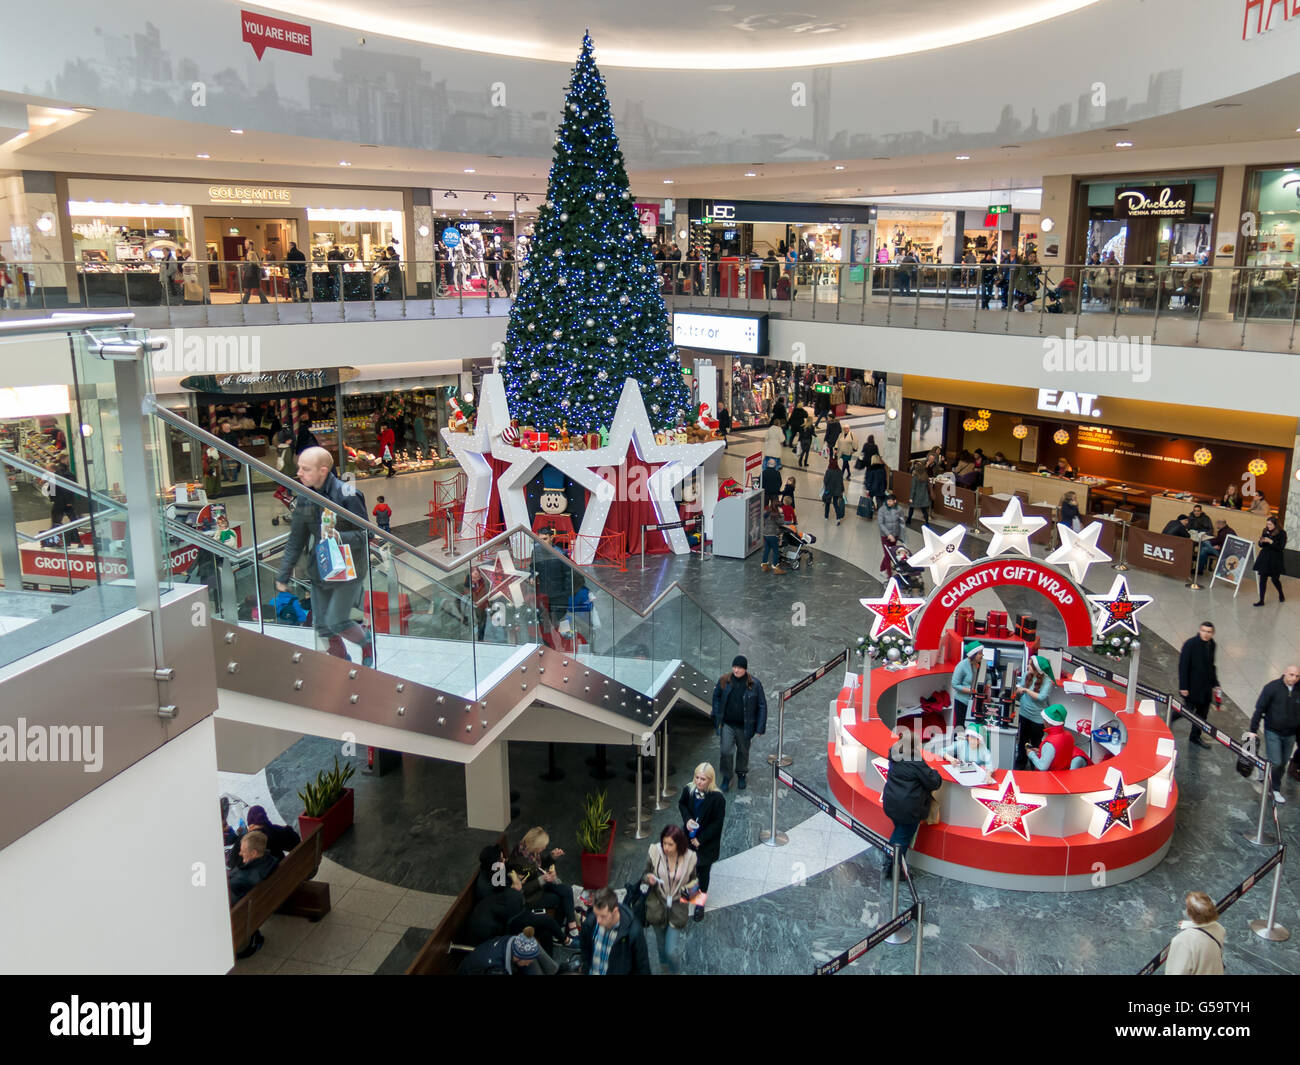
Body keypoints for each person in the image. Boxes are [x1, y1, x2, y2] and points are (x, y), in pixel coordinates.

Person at [274, 446, 375, 667]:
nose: (299, 473)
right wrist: (283, 574)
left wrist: (338, 536)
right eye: (299, 467)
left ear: (323, 470)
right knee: (321, 625)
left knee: (336, 620)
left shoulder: (347, 494)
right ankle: (343, 665)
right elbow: (296, 539)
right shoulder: (305, 497)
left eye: (305, 469)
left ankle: (367, 643)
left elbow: (366, 534)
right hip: (320, 568)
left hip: (349, 569)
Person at [638, 824, 699, 974]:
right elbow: (644, 875)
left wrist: (688, 892)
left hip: (677, 908)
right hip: (657, 906)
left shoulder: (689, 858)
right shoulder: (654, 852)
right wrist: (648, 878)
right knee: (660, 945)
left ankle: (674, 972)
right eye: (664, 843)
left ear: (678, 844)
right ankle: (664, 970)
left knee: (671, 950)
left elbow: (694, 881)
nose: (666, 847)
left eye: (670, 844)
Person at [880, 730, 941, 877]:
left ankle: (891, 862)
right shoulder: (916, 762)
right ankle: (895, 868)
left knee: (899, 832)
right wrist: (935, 773)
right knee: (902, 838)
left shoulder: (894, 755)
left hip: (891, 803)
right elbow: (934, 782)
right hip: (909, 809)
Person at [710, 654, 768, 791]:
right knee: (725, 751)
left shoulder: (755, 684)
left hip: (744, 726)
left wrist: (760, 727)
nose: (736, 670)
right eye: (735, 667)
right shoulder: (724, 680)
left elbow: (762, 706)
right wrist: (718, 714)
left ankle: (741, 773)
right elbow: (716, 696)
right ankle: (727, 776)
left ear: (745, 669)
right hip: (728, 724)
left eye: (739, 668)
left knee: (743, 751)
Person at [513, 826, 580, 942]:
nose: (544, 848)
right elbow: (521, 890)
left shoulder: (529, 851)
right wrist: (542, 879)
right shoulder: (519, 863)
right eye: (542, 846)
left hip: (539, 883)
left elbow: (539, 865)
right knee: (559, 899)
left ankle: (571, 925)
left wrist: (551, 857)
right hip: (530, 898)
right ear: (535, 845)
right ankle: (558, 932)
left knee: (566, 890)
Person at [678, 763, 725, 923]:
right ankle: (691, 894)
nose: (699, 782)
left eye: (703, 779)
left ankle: (700, 903)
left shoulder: (717, 798)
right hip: (688, 839)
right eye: (697, 777)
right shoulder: (688, 790)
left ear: (710, 780)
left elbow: (717, 824)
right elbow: (682, 804)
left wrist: (701, 839)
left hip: (706, 844)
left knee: (703, 873)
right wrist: (687, 820)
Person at [1250, 666, 1300, 804]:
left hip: (1290, 734)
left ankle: (1265, 769)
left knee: (1283, 762)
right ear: (1285, 673)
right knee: (1276, 762)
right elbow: (1260, 708)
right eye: (1291, 675)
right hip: (1273, 731)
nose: (1294, 678)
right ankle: (1274, 788)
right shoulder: (1272, 688)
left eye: (1297, 676)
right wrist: (1253, 730)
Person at [580, 887, 651, 975]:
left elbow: (642, 967)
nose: (598, 920)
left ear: (615, 911)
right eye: (596, 914)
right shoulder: (591, 923)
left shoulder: (633, 932)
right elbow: (585, 949)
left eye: (603, 916)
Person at [1178, 622, 1221, 750]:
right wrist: (1183, 686)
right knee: (1187, 710)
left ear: (1212, 633)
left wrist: (1215, 683)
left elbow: (1211, 665)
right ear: (1199, 630)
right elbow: (1183, 666)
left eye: (1209, 632)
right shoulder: (1190, 644)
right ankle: (1169, 717)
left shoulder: (1212, 645)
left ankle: (1195, 736)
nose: (1206, 634)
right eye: (1204, 631)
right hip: (1192, 687)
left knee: (1202, 714)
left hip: (1205, 687)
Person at [1164, 892, 1225, 976]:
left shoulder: (1182, 942)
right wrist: (1188, 924)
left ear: (1189, 913)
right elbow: (1204, 926)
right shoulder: (1219, 928)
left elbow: (1176, 971)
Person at [1012, 654, 1055, 769]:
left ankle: (1034, 766)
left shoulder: (1048, 682)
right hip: (1024, 714)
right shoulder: (1027, 675)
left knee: (1036, 744)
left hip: (1037, 719)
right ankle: (1020, 765)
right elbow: (1020, 687)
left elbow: (1041, 697)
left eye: (1030, 665)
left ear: (1036, 668)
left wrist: (1025, 690)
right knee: (1022, 742)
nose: (1027, 667)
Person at [458, 926, 556, 976]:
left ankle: (555, 971)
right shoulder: (497, 969)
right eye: (528, 960)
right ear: (518, 957)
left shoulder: (512, 941)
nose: (528, 963)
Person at [1025, 704, 1090, 770]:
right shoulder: (1069, 735)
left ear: (1048, 722)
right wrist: (1041, 752)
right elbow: (1059, 753)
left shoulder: (1049, 743)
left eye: (1044, 719)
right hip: (1063, 774)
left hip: (1050, 776)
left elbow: (1042, 767)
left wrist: (1031, 754)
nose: (1043, 721)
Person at [227, 831, 278, 905]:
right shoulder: (270, 861)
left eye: (243, 851)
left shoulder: (242, 880)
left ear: (254, 853)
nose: (240, 853)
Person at [1252, 515, 1286, 606]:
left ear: (1275, 524)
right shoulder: (1265, 530)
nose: (1268, 526)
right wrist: (1261, 541)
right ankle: (1261, 600)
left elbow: (1281, 547)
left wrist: (1271, 542)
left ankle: (1281, 593)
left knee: (1275, 580)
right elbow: (1261, 545)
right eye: (1267, 524)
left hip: (1275, 559)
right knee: (1262, 579)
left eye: (1270, 524)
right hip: (1265, 557)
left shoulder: (1282, 533)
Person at [950, 640, 983, 730]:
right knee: (960, 726)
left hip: (973, 702)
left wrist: (988, 684)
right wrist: (970, 691)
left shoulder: (979, 665)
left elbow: (987, 677)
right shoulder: (962, 665)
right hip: (962, 701)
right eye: (980, 654)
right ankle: (958, 743)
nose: (982, 655)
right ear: (973, 655)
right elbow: (954, 684)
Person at [822, 458, 846, 525]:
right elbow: (841, 482)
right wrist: (842, 490)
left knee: (827, 503)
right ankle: (838, 518)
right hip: (837, 491)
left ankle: (826, 517)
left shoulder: (828, 471)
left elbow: (825, 481)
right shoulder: (840, 471)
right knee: (835, 504)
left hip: (829, 490)